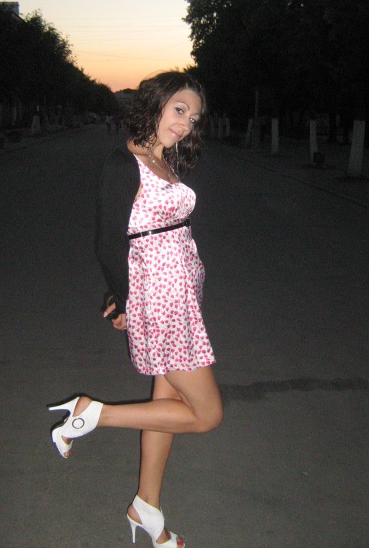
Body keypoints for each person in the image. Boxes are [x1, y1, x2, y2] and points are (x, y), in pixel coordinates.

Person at [48, 71, 223, 548]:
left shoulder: (162, 159)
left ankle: (146, 506)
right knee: (206, 414)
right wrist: (123, 298)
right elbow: (108, 242)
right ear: (155, 104)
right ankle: (92, 414)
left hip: (182, 296)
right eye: (179, 110)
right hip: (160, 300)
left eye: (194, 117)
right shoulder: (123, 164)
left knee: (166, 406)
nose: (185, 123)